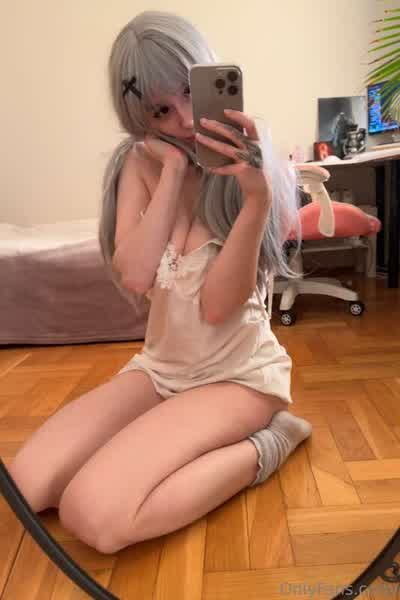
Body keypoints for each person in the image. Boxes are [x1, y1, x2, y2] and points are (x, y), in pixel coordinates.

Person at [8, 10, 312, 555]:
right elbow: (135, 273)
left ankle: (271, 441)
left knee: (95, 517)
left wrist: (257, 200)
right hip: (161, 368)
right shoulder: (139, 165)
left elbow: (218, 308)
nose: (186, 119)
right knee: (27, 486)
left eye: (190, 92)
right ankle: (175, 435)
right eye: (161, 109)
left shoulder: (248, 165)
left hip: (236, 375)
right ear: (138, 115)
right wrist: (172, 172)